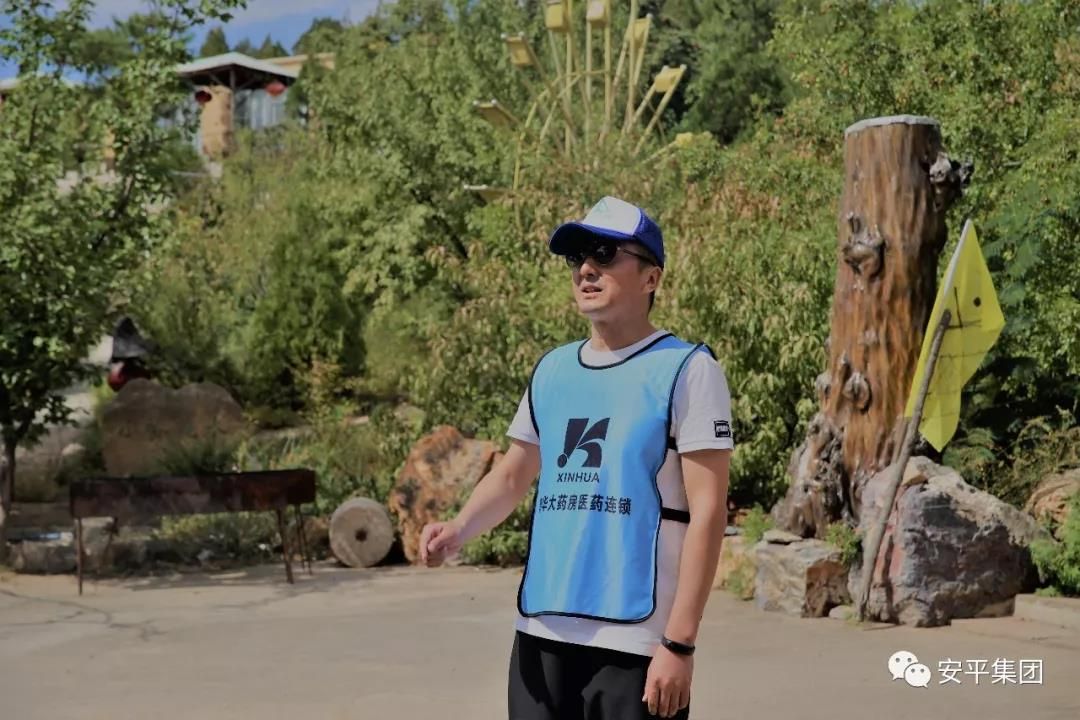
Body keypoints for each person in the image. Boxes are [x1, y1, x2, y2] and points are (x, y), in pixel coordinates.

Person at [419, 196, 733, 720]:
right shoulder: (553, 370)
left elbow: (709, 512)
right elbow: (514, 474)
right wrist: (459, 528)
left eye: (605, 254)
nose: (587, 269)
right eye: (577, 257)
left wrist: (679, 643)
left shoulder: (688, 370)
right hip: (542, 630)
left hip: (635, 640)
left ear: (651, 277)